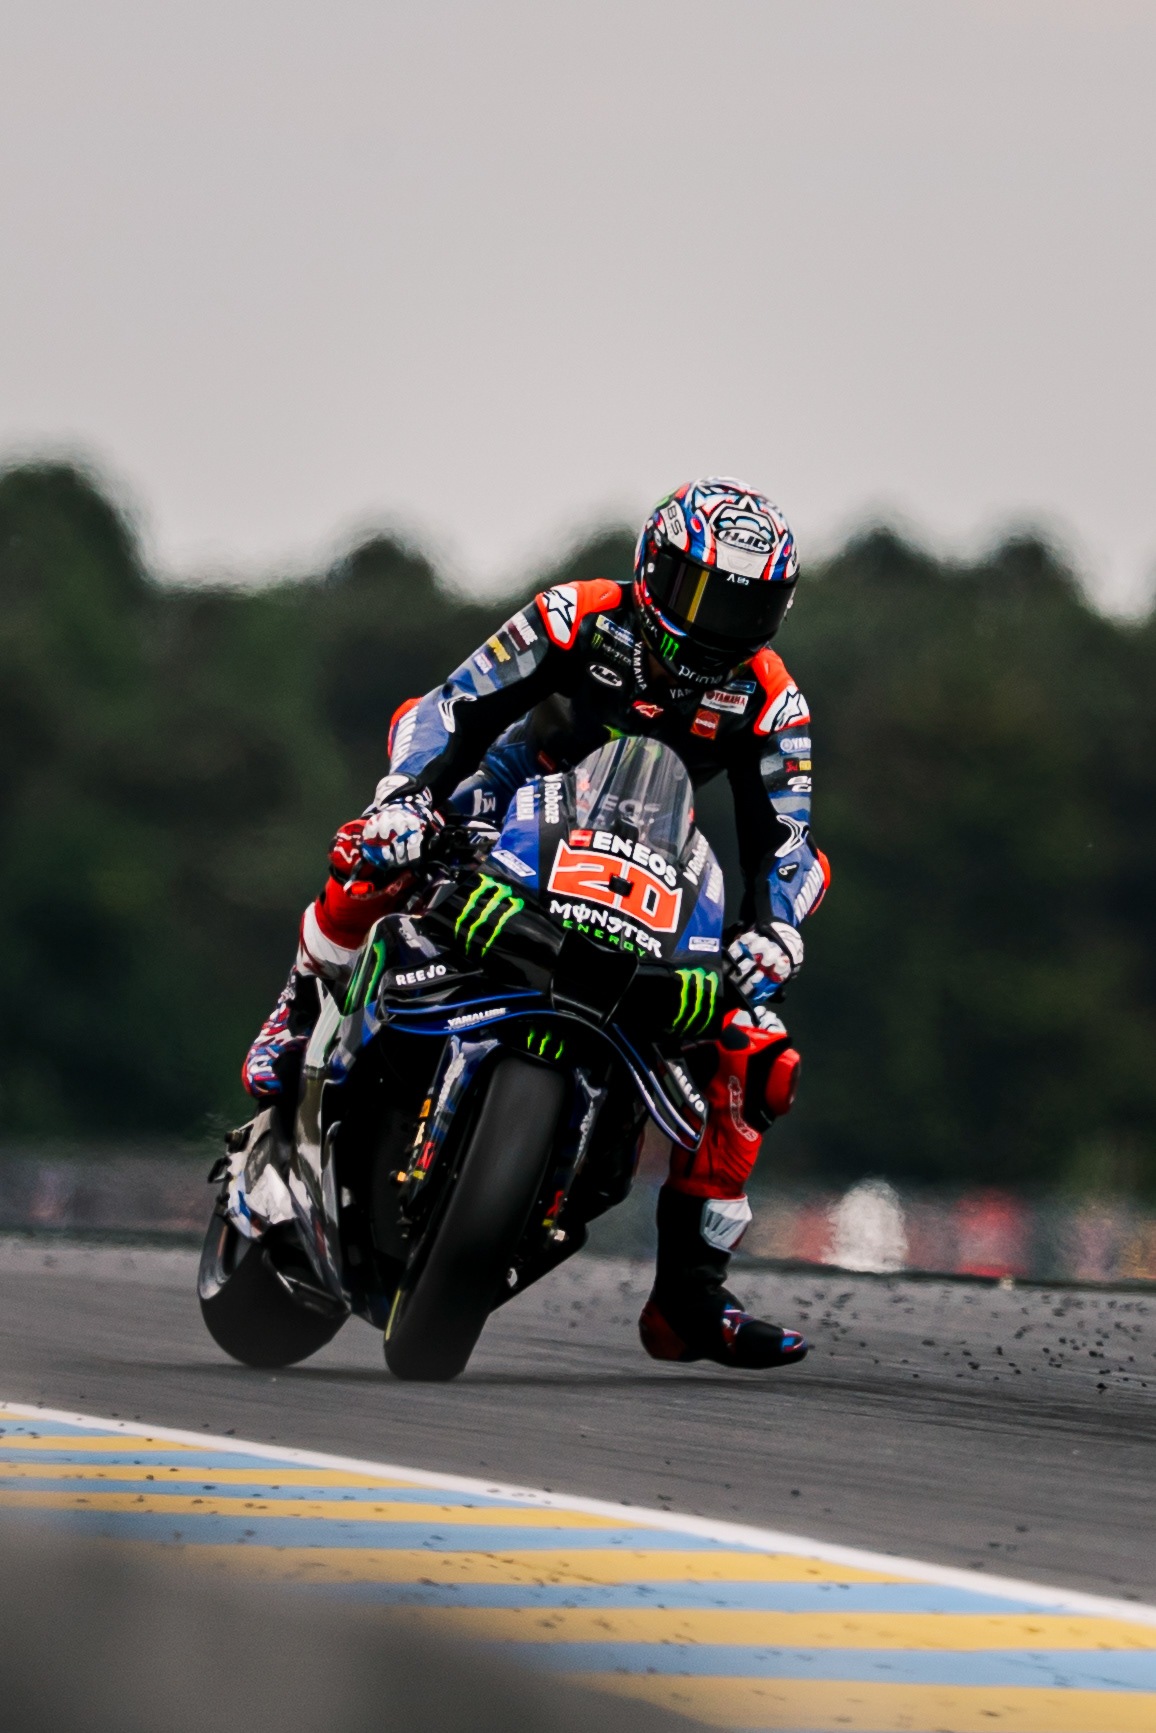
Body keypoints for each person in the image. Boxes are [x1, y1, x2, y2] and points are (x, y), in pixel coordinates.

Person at [243, 478, 829, 1370]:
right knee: (373, 853)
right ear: (653, 569)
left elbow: (786, 841)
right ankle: (296, 1009)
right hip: (512, 800)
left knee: (758, 1048)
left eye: (746, 607)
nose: (719, 624)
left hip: (651, 856)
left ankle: (688, 1293)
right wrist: (407, 799)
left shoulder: (771, 700)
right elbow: (451, 706)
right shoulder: (576, 616)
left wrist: (775, 931)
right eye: (703, 594)